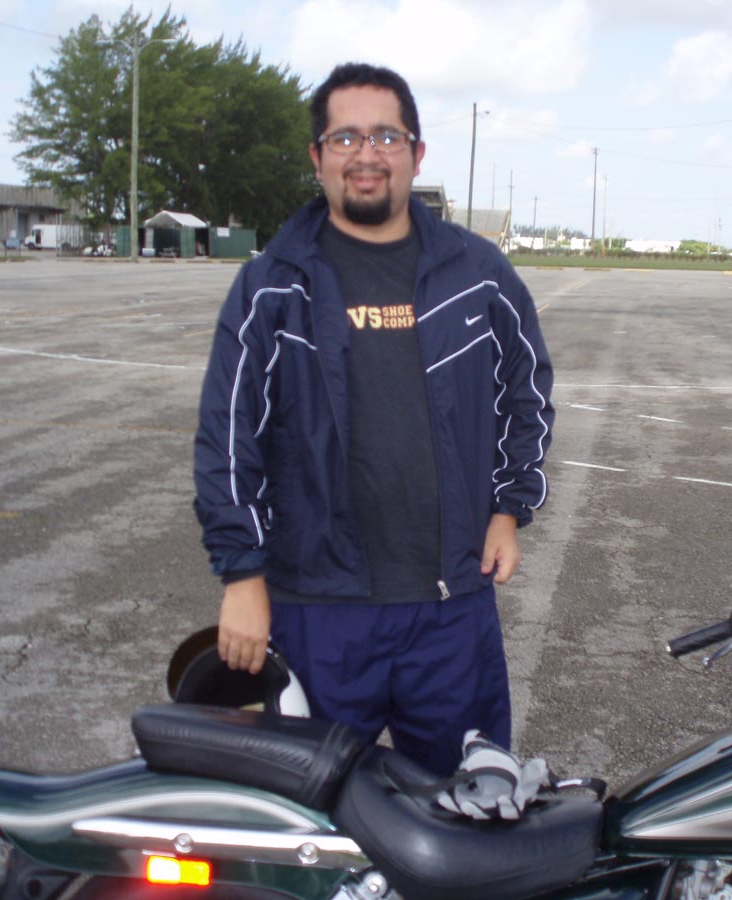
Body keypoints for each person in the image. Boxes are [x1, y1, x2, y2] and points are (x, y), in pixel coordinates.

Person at [192, 62, 554, 777]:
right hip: (316, 612)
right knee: (310, 819)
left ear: (416, 153)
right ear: (318, 157)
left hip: (451, 610)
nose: (367, 154)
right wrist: (242, 576)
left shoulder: (478, 273)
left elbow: (527, 392)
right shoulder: (270, 285)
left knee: (466, 806)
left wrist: (509, 510)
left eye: (386, 136)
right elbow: (228, 436)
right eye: (346, 137)